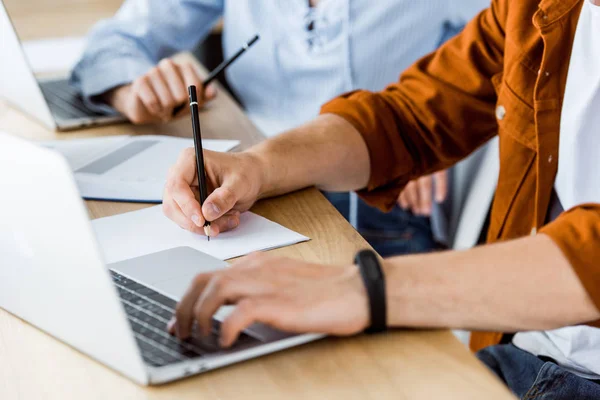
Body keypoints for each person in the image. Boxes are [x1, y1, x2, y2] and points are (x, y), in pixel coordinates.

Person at [161, 0, 600, 397]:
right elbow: (410, 118)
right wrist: (259, 166)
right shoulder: (539, 8)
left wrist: (363, 289)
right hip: (527, 353)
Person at [70, 0, 489, 257]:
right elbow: (113, 41)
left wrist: (426, 140)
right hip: (243, 176)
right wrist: (131, 91)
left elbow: (495, 75)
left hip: (373, 195)